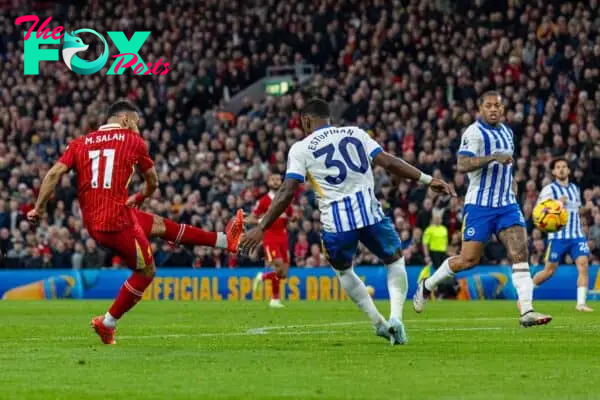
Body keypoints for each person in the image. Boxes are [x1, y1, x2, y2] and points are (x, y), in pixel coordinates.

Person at [27, 100, 244, 345]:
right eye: (137, 123)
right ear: (126, 120)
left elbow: (54, 173)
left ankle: (226, 240)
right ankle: (107, 323)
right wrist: (141, 196)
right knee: (146, 271)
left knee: (162, 226)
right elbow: (153, 182)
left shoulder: (79, 143)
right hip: (116, 221)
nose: (138, 129)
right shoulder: (133, 141)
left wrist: (39, 207)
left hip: (97, 219)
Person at [240, 98, 455, 345]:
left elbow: (287, 190)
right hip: (371, 214)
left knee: (344, 271)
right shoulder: (356, 133)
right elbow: (389, 162)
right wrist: (428, 180)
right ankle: (396, 318)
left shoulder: (301, 148)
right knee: (395, 260)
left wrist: (261, 226)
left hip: (336, 224)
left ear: (307, 120)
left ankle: (379, 324)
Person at [412, 91, 552, 328]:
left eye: (497, 105)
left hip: (507, 204)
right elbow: (462, 164)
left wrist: (512, 185)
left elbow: (506, 167)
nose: (494, 109)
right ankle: (427, 285)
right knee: (468, 260)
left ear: (503, 109)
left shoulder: (507, 132)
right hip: (479, 206)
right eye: (488, 106)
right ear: (481, 109)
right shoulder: (474, 133)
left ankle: (526, 310)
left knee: (520, 253)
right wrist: (492, 158)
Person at [532, 158, 593, 312]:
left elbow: (576, 211)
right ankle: (525, 292)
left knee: (583, 265)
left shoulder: (574, 188)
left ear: (569, 170)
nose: (561, 169)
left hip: (576, 235)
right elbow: (538, 211)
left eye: (564, 167)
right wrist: (557, 203)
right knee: (549, 272)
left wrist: (586, 208)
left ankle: (581, 304)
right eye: (558, 167)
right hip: (557, 237)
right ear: (553, 172)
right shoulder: (549, 189)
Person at [248, 172, 293, 308]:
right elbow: (251, 218)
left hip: (283, 237)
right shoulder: (263, 201)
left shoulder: (285, 200)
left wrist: (293, 219)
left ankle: (273, 296)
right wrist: (261, 220)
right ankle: (273, 296)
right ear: (268, 182)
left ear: (281, 182)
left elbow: (289, 217)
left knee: (283, 273)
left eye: (278, 179)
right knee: (278, 264)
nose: (275, 182)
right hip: (270, 237)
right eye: (273, 179)